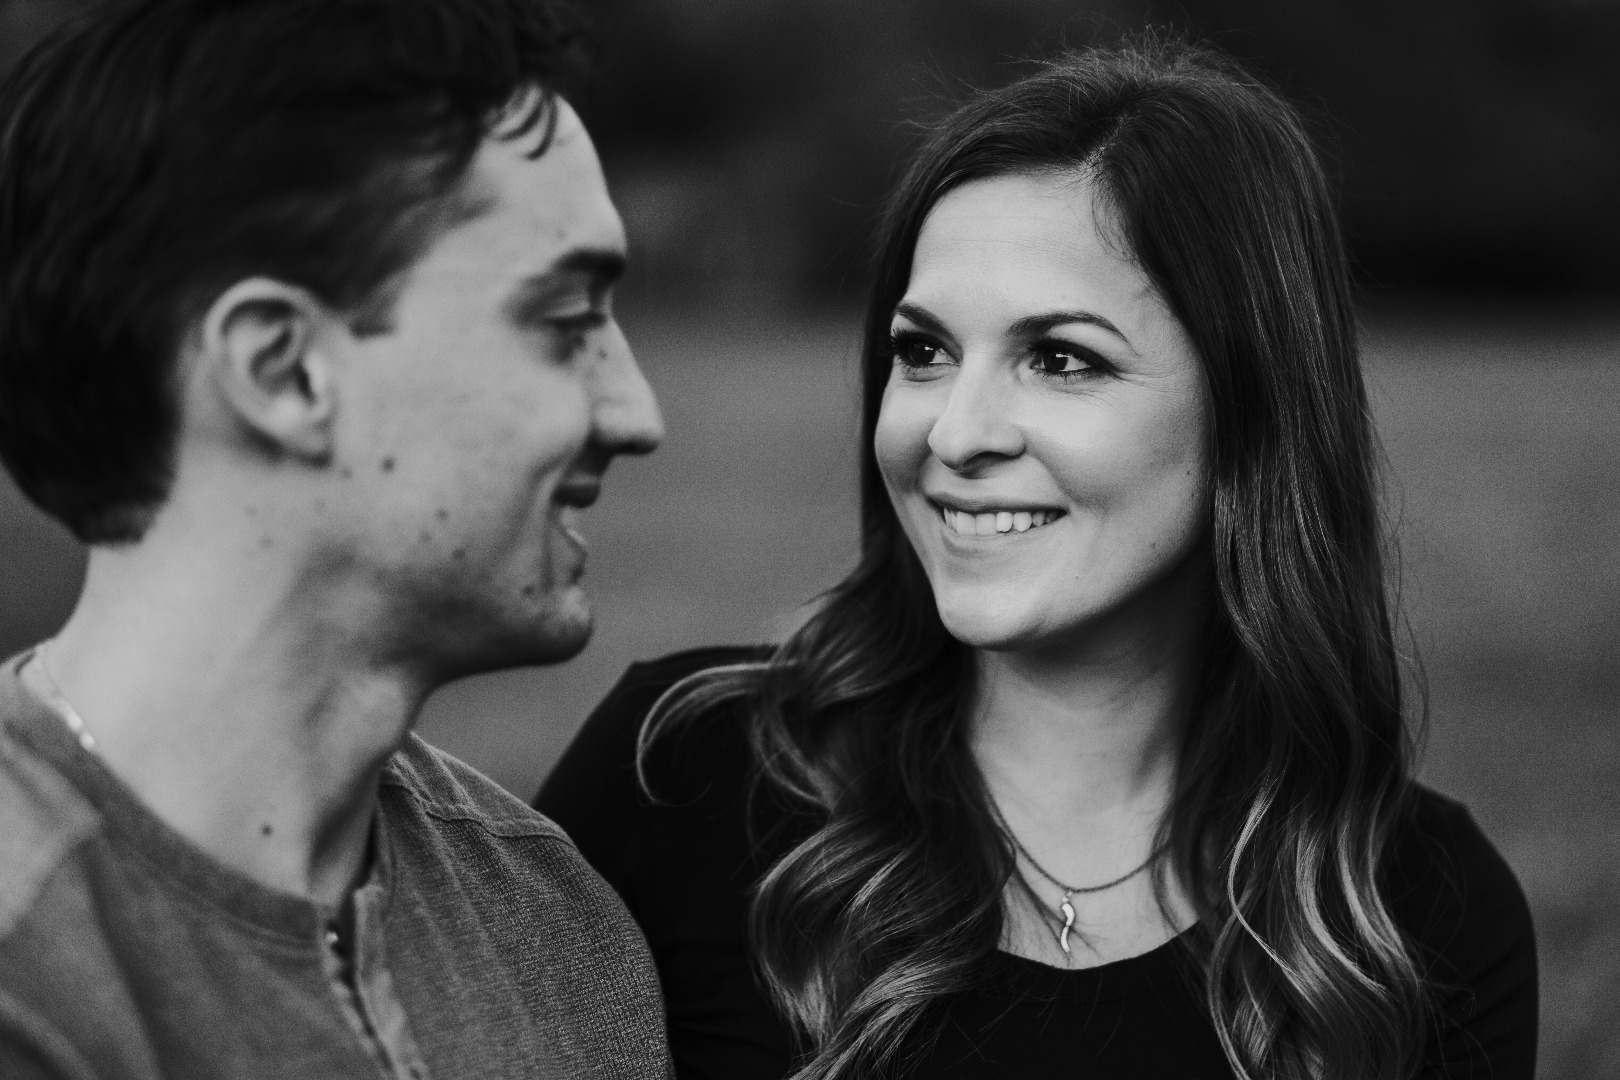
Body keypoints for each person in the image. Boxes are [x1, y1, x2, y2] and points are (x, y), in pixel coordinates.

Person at [536, 38, 1539, 1080]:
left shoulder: (1421, 918)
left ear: (1252, 409)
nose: (955, 432)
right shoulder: (684, 775)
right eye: (924, 351)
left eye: (1061, 359)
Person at [0, 0, 671, 1076]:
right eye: (563, 323)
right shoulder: (28, 963)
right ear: (282, 370)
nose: (636, 412)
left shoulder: (551, 924)